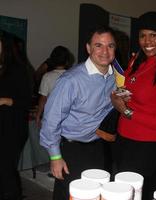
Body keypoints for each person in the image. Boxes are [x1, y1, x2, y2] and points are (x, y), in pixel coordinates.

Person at [39, 26, 117, 200]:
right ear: (88, 48)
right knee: (70, 196)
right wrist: (55, 157)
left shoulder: (116, 77)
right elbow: (50, 120)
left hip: (99, 147)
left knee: (97, 194)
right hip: (72, 150)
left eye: (110, 46)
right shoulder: (71, 80)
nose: (105, 51)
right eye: (98, 45)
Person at [110, 11, 156, 200]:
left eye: (154, 35)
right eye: (142, 35)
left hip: (147, 146)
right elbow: (132, 90)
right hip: (124, 139)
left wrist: (126, 110)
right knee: (122, 192)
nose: (147, 41)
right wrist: (119, 96)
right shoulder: (137, 61)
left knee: (137, 194)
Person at [0, 31, 32, 200]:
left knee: (6, 169)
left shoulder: (18, 70)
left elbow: (26, 101)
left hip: (12, 128)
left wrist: (5, 100)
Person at [35, 46, 72, 127]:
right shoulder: (72, 76)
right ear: (67, 61)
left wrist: (38, 115)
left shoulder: (47, 76)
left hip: (51, 117)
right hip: (68, 117)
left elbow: (43, 99)